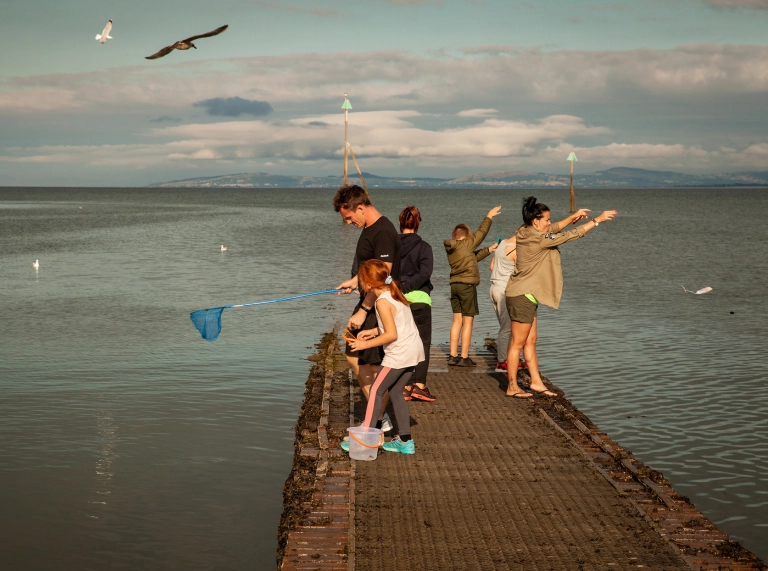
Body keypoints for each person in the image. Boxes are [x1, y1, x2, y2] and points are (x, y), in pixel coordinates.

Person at [505, 196, 617, 398]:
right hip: (521, 295)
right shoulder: (536, 238)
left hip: (529, 294)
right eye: (546, 220)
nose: (549, 223)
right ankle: (512, 386)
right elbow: (567, 236)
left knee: (531, 340)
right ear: (535, 221)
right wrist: (596, 220)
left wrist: (573, 216)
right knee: (517, 343)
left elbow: (555, 229)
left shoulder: (526, 231)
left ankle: (536, 382)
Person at [334, 185, 401, 432]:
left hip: (377, 303)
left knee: (371, 365)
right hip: (369, 298)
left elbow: (383, 276)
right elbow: (371, 270)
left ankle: (377, 419)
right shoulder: (369, 228)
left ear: (360, 208)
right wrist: (354, 282)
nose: (349, 222)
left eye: (349, 217)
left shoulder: (382, 232)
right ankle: (378, 416)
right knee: (354, 356)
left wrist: (363, 309)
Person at [346, 259, 425, 454]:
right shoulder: (393, 293)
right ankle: (405, 441)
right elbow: (396, 324)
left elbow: (392, 335)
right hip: (414, 351)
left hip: (399, 354)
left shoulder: (381, 301)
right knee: (397, 393)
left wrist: (364, 344)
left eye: (362, 282)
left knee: (375, 391)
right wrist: (373, 332)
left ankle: (366, 438)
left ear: (369, 284)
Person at [444, 206, 501, 366]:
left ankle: (453, 355)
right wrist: (489, 216)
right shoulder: (467, 243)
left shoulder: (453, 248)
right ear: (467, 237)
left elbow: (472, 258)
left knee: (456, 321)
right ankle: (464, 357)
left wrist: (489, 250)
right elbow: (481, 233)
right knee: (468, 322)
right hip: (467, 286)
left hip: (454, 286)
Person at [397, 206, 436, 402]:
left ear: (400, 222)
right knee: (423, 343)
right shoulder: (424, 247)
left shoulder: (391, 246)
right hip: (419, 299)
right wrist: (409, 286)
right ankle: (419, 385)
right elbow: (425, 273)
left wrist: (400, 288)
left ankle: (403, 386)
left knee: (402, 342)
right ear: (417, 223)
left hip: (396, 299)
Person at [489, 232, 518, 374]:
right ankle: (501, 363)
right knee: (507, 327)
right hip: (503, 291)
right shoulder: (515, 249)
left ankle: (509, 359)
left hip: (494, 288)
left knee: (507, 326)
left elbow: (491, 267)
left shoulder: (502, 244)